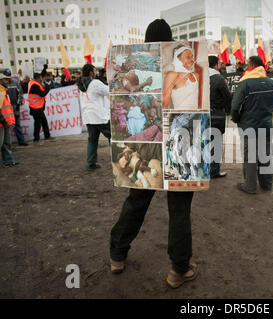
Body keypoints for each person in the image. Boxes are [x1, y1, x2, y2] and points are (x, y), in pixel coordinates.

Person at [109, 19, 199, 289]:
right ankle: (178, 270)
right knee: (180, 208)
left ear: (146, 40)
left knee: (136, 201)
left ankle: (117, 255)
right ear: (171, 40)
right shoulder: (183, 65)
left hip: (144, 144)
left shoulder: (130, 65)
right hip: (177, 145)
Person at [231, 56, 273, 194]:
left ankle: (250, 186)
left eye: (247, 64)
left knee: (250, 157)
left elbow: (235, 107)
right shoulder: (272, 83)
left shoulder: (245, 84)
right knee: (266, 156)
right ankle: (267, 185)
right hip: (266, 125)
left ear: (252, 65)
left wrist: (236, 120)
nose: (246, 66)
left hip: (248, 126)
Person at [77, 64, 111, 171]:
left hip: (89, 117)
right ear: (91, 72)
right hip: (99, 117)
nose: (96, 72)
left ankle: (90, 163)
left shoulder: (80, 84)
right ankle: (118, 159)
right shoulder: (95, 83)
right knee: (113, 137)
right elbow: (108, 90)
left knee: (92, 141)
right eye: (94, 71)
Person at [209, 55, 231, 179]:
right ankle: (214, 171)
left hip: (200, 115)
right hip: (216, 114)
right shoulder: (218, 78)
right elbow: (228, 97)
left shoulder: (198, 76)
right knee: (215, 143)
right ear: (216, 65)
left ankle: (202, 170)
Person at [163, 44, 202, 110]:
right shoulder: (172, 75)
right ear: (177, 59)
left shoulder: (196, 75)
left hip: (195, 116)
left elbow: (197, 102)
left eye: (192, 57)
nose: (192, 60)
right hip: (180, 116)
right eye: (188, 57)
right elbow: (165, 104)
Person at [27, 72, 52, 143]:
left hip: (37, 107)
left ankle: (45, 135)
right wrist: (48, 87)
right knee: (38, 123)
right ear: (38, 77)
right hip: (36, 107)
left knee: (42, 121)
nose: (42, 79)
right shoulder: (34, 85)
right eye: (41, 77)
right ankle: (37, 138)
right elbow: (42, 94)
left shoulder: (33, 83)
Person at [5, 70, 27, 146]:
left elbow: (20, 93)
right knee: (8, 127)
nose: (8, 77)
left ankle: (21, 141)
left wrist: (18, 104)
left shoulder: (15, 82)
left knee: (18, 125)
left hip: (15, 107)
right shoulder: (2, 84)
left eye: (9, 75)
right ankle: (8, 143)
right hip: (6, 109)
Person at [0, 72, 18, 167]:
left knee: (6, 143)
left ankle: (9, 160)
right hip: (2, 122)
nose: (8, 81)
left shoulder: (4, 91)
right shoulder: (1, 91)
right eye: (5, 79)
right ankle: (8, 160)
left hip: (6, 122)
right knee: (2, 143)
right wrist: (3, 121)